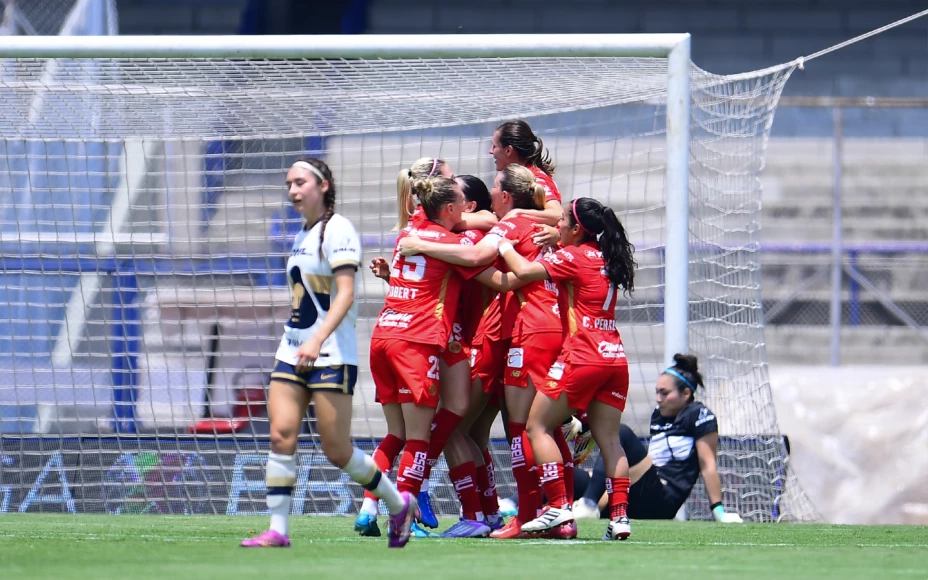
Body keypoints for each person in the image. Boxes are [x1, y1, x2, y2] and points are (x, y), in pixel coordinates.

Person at [241, 159, 415, 549]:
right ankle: (278, 530)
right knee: (280, 435)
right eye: (289, 184)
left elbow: (347, 294)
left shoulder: (338, 230)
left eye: (300, 182)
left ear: (323, 185)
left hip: (332, 353)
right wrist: (303, 340)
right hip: (292, 350)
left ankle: (398, 504)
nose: (293, 190)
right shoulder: (302, 234)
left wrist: (317, 339)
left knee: (337, 450)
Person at [398, 164, 568, 539]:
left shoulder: (476, 236)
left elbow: (491, 268)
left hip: (485, 342)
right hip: (505, 339)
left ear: (471, 204)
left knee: (462, 427)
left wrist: (425, 246)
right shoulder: (506, 227)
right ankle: (501, 512)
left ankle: (448, 502)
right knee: (487, 432)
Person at [366, 176, 522, 538]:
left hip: (462, 342)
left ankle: (425, 500)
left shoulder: (422, 234)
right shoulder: (451, 237)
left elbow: (480, 242)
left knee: (445, 430)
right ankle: (482, 513)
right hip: (453, 341)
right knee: (462, 431)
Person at [494, 196, 637, 541]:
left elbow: (523, 271)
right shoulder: (607, 255)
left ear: (576, 229)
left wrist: (502, 243)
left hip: (583, 355)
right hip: (614, 357)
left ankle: (558, 505)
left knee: (537, 426)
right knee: (610, 441)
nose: (557, 225)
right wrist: (556, 237)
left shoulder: (573, 257)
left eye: (562, 222)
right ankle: (620, 517)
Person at [572, 355, 744, 524]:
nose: (658, 398)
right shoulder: (659, 415)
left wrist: (719, 512)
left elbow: (708, 466)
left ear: (686, 393)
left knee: (620, 432)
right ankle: (561, 509)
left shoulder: (699, 415)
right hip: (638, 490)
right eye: (657, 392)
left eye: (665, 393)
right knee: (573, 477)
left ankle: (589, 504)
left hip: (662, 499)